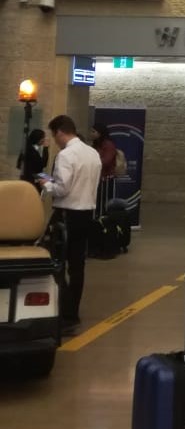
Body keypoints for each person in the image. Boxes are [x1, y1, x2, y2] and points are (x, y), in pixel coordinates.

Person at [39, 115, 102, 335]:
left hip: (66, 214)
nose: (55, 141)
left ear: (59, 132)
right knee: (77, 266)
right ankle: (72, 312)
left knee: (55, 262)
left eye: (54, 136)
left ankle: (60, 310)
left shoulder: (66, 155)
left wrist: (47, 184)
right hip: (86, 213)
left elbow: (62, 189)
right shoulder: (93, 153)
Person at [90, 121, 118, 214]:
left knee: (104, 204)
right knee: (97, 204)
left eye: (94, 132)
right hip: (97, 179)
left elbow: (106, 161)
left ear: (100, 132)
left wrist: (92, 162)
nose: (91, 134)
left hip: (106, 180)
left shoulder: (108, 145)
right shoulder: (95, 144)